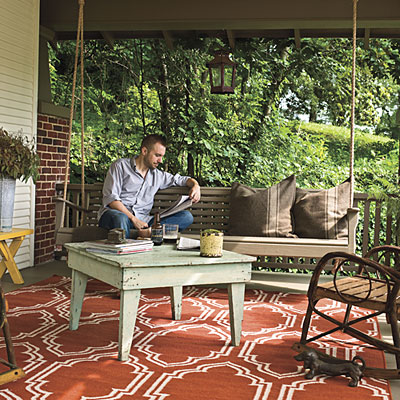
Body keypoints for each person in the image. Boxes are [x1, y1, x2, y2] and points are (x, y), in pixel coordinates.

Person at [98, 134, 201, 238]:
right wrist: (134, 219)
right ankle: (128, 248)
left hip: (144, 222)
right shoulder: (120, 166)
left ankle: (149, 232)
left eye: (162, 156)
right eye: (157, 155)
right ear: (144, 151)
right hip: (115, 216)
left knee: (186, 217)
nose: (160, 160)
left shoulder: (158, 175)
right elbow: (112, 200)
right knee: (120, 218)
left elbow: (181, 180)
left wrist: (195, 185)